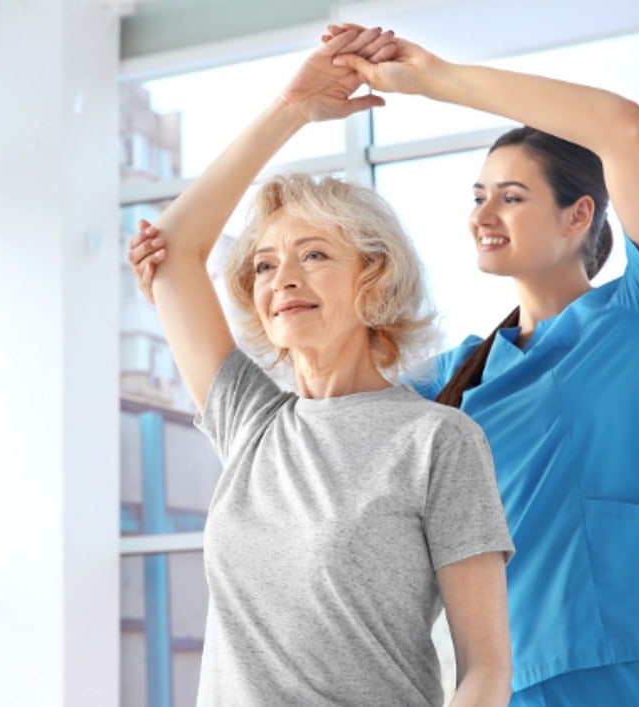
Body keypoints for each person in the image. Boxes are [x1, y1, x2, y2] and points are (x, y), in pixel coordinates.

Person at [130, 25, 639, 706]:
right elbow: (348, 400)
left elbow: (621, 127)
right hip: (518, 677)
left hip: (633, 665)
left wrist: (432, 79)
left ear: (578, 214)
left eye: (511, 195)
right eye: (477, 195)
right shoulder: (451, 380)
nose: (483, 213)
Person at [133, 25, 515, 707]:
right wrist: (293, 107)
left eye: (313, 254)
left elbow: (485, 670)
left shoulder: (439, 441)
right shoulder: (249, 420)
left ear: (374, 276)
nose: (283, 277)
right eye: (265, 264)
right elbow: (170, 252)